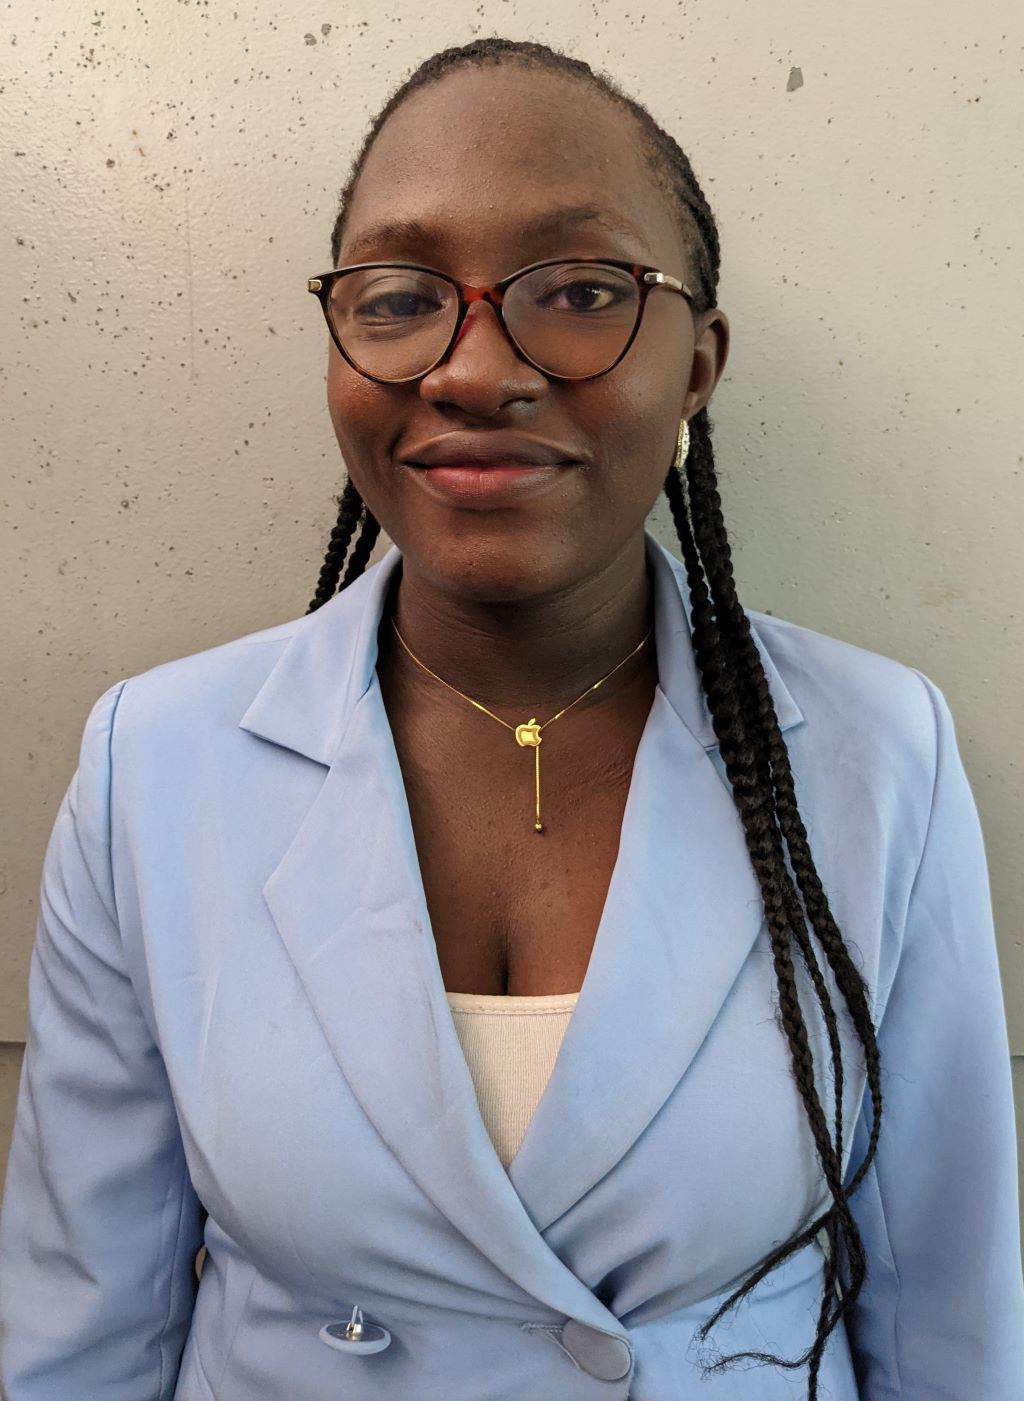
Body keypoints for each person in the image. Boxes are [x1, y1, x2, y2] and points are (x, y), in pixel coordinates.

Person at [1, 35, 1021, 1401]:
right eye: (400, 296)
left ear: (700, 362)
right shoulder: (154, 768)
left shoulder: (880, 756)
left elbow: (948, 1312)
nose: (474, 370)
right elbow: (82, 1328)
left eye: (583, 290)